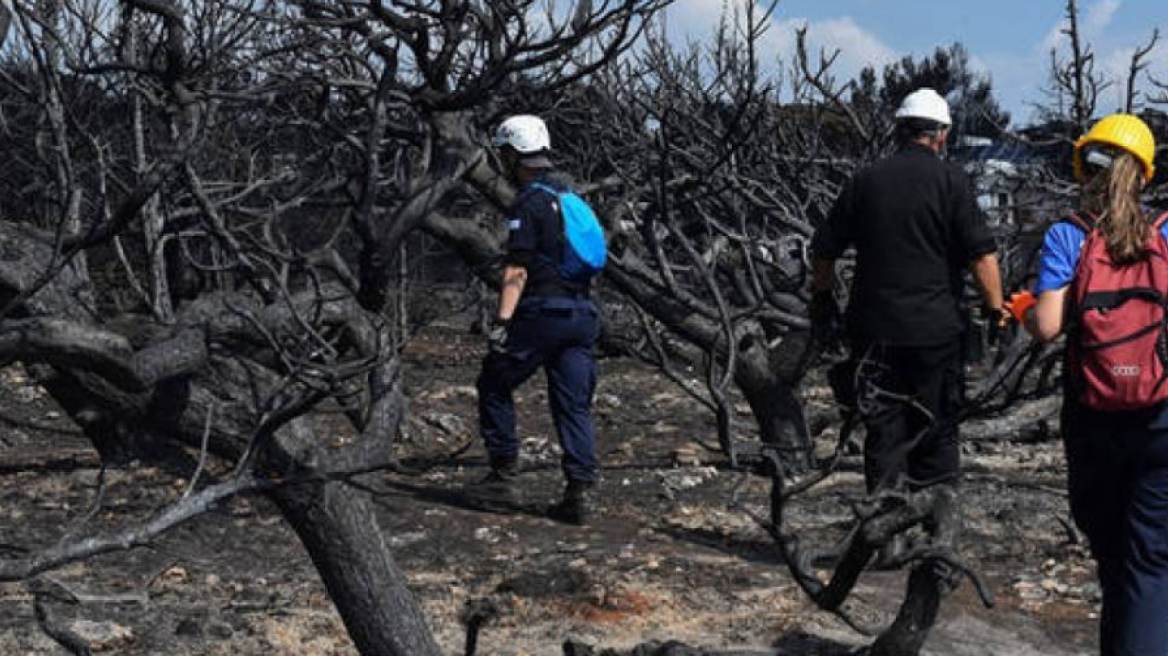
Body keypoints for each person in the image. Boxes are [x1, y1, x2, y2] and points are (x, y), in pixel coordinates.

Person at [810, 88, 1005, 555]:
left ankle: (885, 536)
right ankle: (936, 535)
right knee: (936, 431)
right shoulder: (951, 181)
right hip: (935, 332)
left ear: (900, 131)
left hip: (873, 330)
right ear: (940, 135)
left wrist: (823, 298)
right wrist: (997, 310)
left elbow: (823, 250)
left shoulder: (865, 181)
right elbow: (982, 255)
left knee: (884, 432)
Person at [1009, 113, 1167, 656]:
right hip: (1161, 417)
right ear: (1143, 174)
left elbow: (1049, 327)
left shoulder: (1067, 234)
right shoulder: (1167, 230)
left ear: (1085, 169)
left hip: (1093, 415)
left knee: (1114, 559)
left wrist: (1026, 310)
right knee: (1151, 563)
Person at [470, 114, 602, 525]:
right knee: (573, 404)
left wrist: (502, 321)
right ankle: (579, 490)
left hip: (542, 313)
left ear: (512, 155)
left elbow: (517, 271)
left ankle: (503, 476)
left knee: (493, 381)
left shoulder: (528, 202)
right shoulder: (571, 196)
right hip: (583, 314)